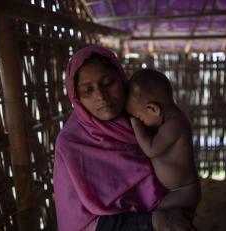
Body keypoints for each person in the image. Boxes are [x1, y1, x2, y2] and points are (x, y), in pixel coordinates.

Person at [53, 45, 197, 231]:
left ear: (121, 78)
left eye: (107, 82)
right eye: (88, 90)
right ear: (77, 98)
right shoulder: (71, 144)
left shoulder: (144, 121)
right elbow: (80, 224)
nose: (101, 96)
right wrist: (153, 221)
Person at [126, 69, 201, 211]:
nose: (140, 121)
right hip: (176, 191)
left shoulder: (174, 125)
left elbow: (151, 150)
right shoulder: (168, 123)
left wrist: (135, 125)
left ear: (153, 109)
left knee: (157, 216)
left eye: (140, 117)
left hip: (184, 192)